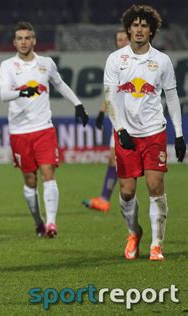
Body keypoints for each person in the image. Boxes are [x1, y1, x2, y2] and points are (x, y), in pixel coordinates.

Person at [103, 5, 185, 261]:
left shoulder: (162, 60)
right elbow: (110, 97)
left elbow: (171, 97)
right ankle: (134, 232)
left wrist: (179, 135)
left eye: (144, 25)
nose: (139, 29)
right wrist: (120, 129)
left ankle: (156, 245)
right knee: (127, 191)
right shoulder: (116, 59)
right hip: (126, 133)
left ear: (152, 30)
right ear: (128, 29)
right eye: (135, 25)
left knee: (154, 184)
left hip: (153, 132)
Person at [0, 21, 89, 238]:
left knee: (48, 173)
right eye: (19, 38)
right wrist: (22, 93)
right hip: (19, 131)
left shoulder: (46, 63)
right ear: (14, 42)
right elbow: (3, 94)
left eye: (27, 37)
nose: (23, 42)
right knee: (30, 180)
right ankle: (38, 222)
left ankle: (51, 223)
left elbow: (59, 84)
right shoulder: (7, 66)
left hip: (44, 128)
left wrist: (78, 104)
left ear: (34, 40)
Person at [82, 29, 129, 212]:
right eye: (119, 39)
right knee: (113, 159)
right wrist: (102, 112)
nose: (122, 42)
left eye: (125, 38)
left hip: (137, 119)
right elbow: (111, 91)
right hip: (119, 119)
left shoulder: (137, 61)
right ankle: (104, 199)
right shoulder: (115, 62)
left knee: (130, 162)